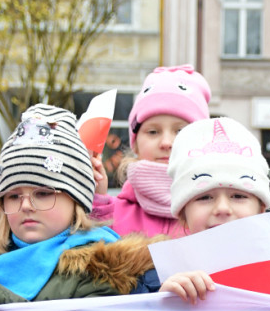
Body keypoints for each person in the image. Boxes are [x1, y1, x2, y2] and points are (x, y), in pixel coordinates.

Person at [0, 104, 157, 311]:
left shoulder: (103, 268)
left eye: (42, 193)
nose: (25, 206)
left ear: (77, 200)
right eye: (13, 196)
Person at [153, 117, 270, 305]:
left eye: (238, 196)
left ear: (261, 210)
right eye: (204, 197)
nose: (222, 208)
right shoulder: (155, 288)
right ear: (182, 215)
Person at [89, 65, 212, 238]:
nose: (166, 143)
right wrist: (95, 201)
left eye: (180, 131)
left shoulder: (218, 213)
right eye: (153, 132)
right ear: (136, 144)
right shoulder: (109, 213)